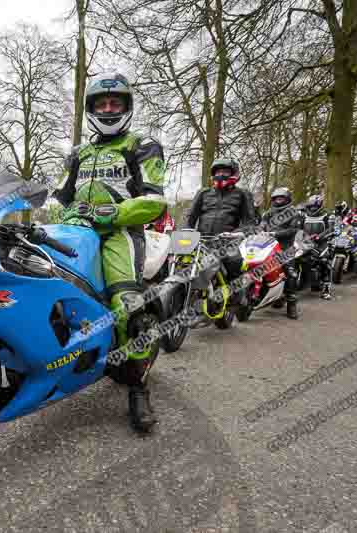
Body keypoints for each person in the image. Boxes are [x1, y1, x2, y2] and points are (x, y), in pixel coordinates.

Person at [54, 72, 167, 433]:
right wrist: (64, 213)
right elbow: (58, 198)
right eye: (100, 104)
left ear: (126, 106)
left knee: (127, 307)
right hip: (75, 232)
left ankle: (137, 388)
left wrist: (114, 212)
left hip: (119, 235)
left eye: (114, 103)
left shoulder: (143, 145)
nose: (107, 108)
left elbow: (154, 200)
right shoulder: (76, 153)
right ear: (89, 109)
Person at [183, 157, 257, 280]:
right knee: (181, 263)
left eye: (225, 171)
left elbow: (249, 223)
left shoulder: (243, 194)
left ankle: (238, 296)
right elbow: (190, 217)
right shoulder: (203, 193)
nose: (221, 174)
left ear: (234, 173)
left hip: (228, 243)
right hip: (202, 242)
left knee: (235, 264)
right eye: (218, 172)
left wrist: (234, 234)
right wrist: (186, 232)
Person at [260, 187, 304, 319]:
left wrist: (274, 233)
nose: (278, 200)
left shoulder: (294, 213)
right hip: (267, 245)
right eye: (276, 198)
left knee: (290, 272)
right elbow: (262, 223)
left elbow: (293, 230)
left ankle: (291, 303)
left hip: (285, 247)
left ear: (287, 199)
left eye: (281, 198)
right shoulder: (268, 213)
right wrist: (261, 228)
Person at [302, 194, 335, 300]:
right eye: (311, 206)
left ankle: (326, 289)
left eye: (314, 207)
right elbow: (297, 227)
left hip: (321, 243)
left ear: (320, 206)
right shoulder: (303, 216)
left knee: (325, 262)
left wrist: (319, 236)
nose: (312, 208)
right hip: (305, 242)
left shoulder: (327, 215)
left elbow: (330, 229)